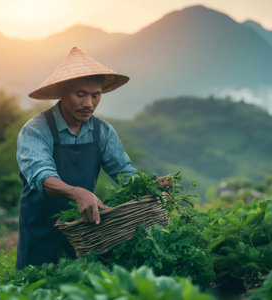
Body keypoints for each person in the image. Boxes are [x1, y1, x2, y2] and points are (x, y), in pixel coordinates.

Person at [16, 47, 171, 270]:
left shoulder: (103, 132)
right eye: (81, 94)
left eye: (95, 95)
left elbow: (124, 173)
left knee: (85, 285)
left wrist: (150, 186)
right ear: (62, 92)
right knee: (34, 286)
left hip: (85, 228)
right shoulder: (37, 130)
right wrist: (78, 192)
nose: (89, 103)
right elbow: (42, 175)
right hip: (39, 228)